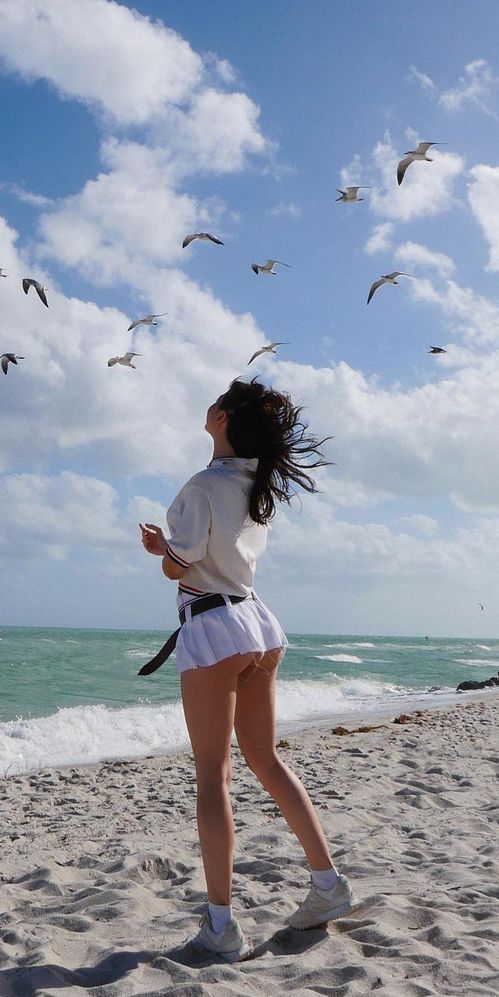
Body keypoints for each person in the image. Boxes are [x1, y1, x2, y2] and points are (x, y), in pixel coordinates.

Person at [139, 378, 355, 962]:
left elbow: (180, 567)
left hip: (213, 628)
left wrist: (162, 549)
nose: (208, 404)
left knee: (214, 779)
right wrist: (173, 548)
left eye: (219, 401)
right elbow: (219, 555)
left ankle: (220, 926)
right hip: (258, 624)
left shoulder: (202, 484)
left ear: (226, 420)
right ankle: (328, 885)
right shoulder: (254, 487)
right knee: (266, 759)